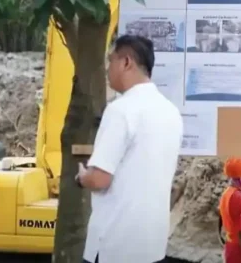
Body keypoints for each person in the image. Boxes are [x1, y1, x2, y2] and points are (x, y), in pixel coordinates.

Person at [77, 35, 183, 263]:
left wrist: (83, 177)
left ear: (126, 62)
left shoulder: (120, 111)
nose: (107, 68)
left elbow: (100, 179)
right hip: (151, 247)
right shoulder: (171, 113)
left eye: (110, 60)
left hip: (114, 247)